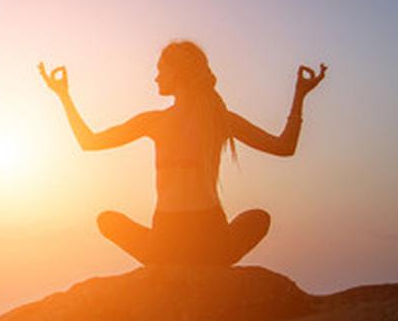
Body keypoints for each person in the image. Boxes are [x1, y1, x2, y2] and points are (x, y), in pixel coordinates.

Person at [39, 41, 326, 266]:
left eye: (161, 70)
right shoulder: (219, 118)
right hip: (210, 239)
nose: (156, 78)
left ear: (178, 72)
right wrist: (299, 95)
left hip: (166, 240)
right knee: (259, 218)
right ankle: (208, 262)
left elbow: (89, 142)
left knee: (108, 220)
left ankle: (163, 264)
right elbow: (284, 147)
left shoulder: (156, 121)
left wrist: (63, 96)